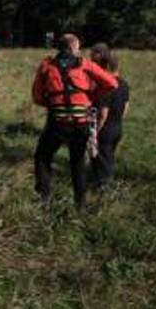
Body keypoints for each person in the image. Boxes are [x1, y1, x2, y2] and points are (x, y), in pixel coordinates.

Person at [31, 33, 118, 208]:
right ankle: (80, 204)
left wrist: (54, 102)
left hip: (56, 122)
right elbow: (112, 84)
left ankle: (44, 199)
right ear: (74, 48)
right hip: (80, 124)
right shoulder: (84, 64)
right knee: (77, 163)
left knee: (42, 157)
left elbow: (37, 97)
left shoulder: (47, 65)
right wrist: (90, 96)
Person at [89, 43, 130, 188]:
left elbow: (103, 113)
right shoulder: (124, 84)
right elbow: (126, 107)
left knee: (101, 160)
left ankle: (104, 188)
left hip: (105, 130)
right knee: (109, 158)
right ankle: (105, 181)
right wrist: (117, 121)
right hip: (117, 128)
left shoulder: (106, 86)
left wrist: (96, 132)